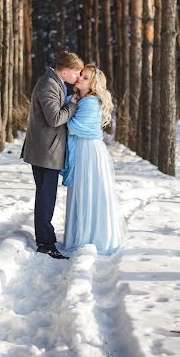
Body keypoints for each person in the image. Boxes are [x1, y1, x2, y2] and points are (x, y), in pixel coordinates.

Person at [22, 51, 84, 259]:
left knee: (46, 196)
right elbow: (55, 118)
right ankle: (45, 243)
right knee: (46, 198)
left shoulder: (55, 83)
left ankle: (46, 239)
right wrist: (73, 105)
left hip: (46, 150)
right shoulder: (49, 84)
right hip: (45, 152)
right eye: (76, 73)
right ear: (64, 71)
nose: (78, 77)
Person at [62, 64, 126, 255]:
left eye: (86, 77)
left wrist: (67, 110)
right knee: (82, 191)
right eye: (81, 75)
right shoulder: (79, 99)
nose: (80, 78)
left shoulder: (89, 102)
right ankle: (82, 234)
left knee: (90, 191)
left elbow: (75, 127)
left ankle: (93, 237)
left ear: (93, 85)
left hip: (89, 151)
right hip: (83, 149)